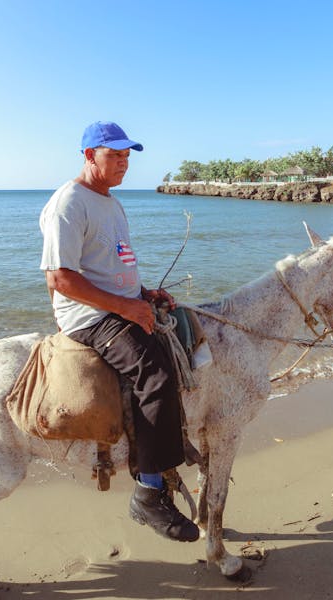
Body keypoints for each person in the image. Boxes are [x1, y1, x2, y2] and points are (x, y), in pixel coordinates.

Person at [39, 121, 199, 543]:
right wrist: (127, 306)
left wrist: (144, 293)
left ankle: (170, 444)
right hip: (88, 316)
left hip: (117, 304)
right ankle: (148, 491)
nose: (124, 164)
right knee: (155, 372)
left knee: (182, 337)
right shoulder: (68, 203)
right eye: (115, 156)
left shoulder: (111, 202)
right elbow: (61, 279)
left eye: (127, 157)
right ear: (89, 155)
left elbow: (112, 265)